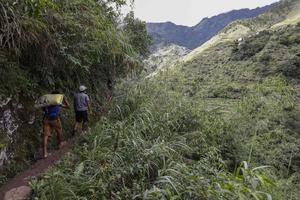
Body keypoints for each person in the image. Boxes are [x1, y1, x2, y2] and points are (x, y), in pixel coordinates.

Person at [42, 91, 70, 158]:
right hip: (55, 119)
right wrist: (65, 99)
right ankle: (60, 144)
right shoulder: (58, 102)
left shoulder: (48, 102)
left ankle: (45, 153)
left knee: (45, 136)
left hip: (46, 119)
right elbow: (68, 107)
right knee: (59, 130)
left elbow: (43, 109)